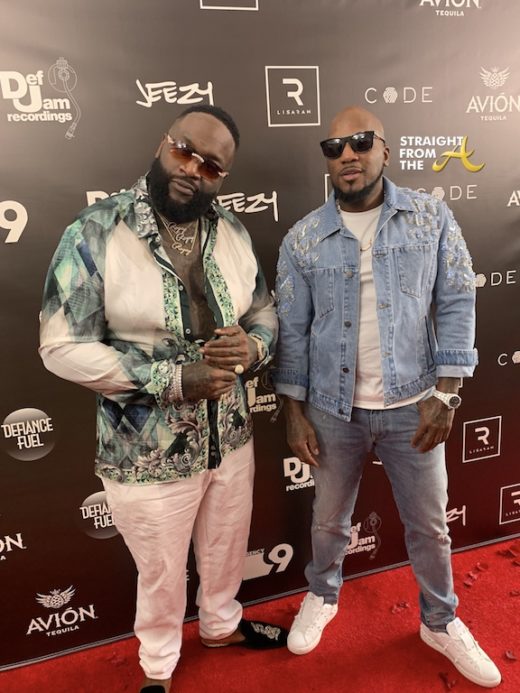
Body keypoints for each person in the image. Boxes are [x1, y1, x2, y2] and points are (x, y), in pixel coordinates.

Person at [39, 104, 285, 693]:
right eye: (185, 151)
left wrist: (254, 346)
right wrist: (171, 379)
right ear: (162, 142)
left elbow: (264, 312)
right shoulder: (96, 231)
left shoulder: (232, 232)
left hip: (231, 436)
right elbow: (60, 346)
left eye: (211, 166)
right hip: (146, 452)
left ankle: (221, 625)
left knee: (226, 547)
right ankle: (158, 664)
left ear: (223, 177)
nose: (193, 170)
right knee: (160, 571)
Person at [273, 105, 501, 688]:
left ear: (384, 149)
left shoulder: (431, 217)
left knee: (430, 526)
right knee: (328, 520)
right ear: (326, 160)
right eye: (334, 147)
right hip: (332, 408)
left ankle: (440, 621)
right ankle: (323, 595)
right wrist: (293, 411)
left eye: (360, 142)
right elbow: (292, 331)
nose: (347, 155)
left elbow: (457, 300)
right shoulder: (304, 237)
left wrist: (447, 393)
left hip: (414, 404)